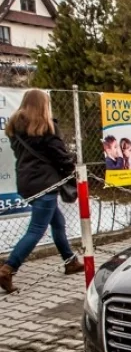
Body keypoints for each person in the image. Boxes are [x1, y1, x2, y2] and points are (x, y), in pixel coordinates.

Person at [1, 89, 82, 293]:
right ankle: (8, 269)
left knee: (58, 221)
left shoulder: (14, 127)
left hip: (26, 182)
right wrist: (72, 168)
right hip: (45, 183)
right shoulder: (47, 126)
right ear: (43, 105)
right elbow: (60, 155)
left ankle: (70, 260)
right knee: (37, 229)